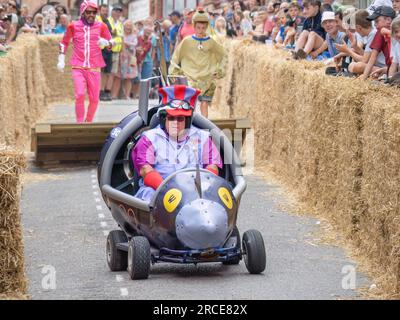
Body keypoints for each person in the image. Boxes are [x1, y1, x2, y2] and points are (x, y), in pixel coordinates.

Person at [132, 84, 222, 202]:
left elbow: (212, 166)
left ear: (188, 121)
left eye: (180, 119)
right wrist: (169, 191)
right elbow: (145, 169)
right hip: (158, 191)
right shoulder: (149, 138)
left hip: (197, 192)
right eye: (171, 118)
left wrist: (200, 188)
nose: (176, 123)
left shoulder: (204, 138)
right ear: (164, 119)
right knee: (149, 196)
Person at [57, 0, 113, 123]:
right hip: (78, 67)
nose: (91, 15)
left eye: (94, 12)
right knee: (80, 95)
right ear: (83, 12)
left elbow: (111, 43)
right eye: (88, 12)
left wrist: (106, 43)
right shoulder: (73, 26)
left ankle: (88, 122)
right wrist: (61, 58)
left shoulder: (101, 26)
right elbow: (64, 42)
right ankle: (79, 123)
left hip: (94, 67)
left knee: (94, 99)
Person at [169, 9, 226, 118]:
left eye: (203, 28)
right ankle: (190, 124)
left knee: (204, 103)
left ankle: (205, 126)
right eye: (198, 28)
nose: (201, 30)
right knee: (191, 103)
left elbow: (223, 55)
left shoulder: (211, 41)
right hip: (191, 76)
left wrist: (219, 71)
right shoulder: (187, 41)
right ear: (194, 27)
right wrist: (175, 71)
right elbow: (176, 57)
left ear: (207, 27)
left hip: (207, 77)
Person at [360, 5, 396, 80]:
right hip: (393, 68)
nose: (375, 24)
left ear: (389, 20)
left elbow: (372, 58)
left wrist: (364, 77)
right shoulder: (380, 32)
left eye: (377, 21)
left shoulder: (382, 31)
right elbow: (372, 57)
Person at [106, 4, 124, 100]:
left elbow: (121, 38)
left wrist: (122, 51)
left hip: (117, 51)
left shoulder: (120, 23)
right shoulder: (108, 21)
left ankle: (108, 91)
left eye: (119, 11)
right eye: (116, 11)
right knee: (107, 72)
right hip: (108, 50)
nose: (117, 13)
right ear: (112, 11)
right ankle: (104, 91)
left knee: (113, 73)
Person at [118, 20, 138, 100]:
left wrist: (125, 43)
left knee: (129, 78)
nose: (128, 27)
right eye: (127, 25)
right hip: (121, 57)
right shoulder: (121, 34)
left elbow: (134, 44)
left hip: (130, 59)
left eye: (130, 25)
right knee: (119, 76)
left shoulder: (134, 36)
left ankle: (127, 95)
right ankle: (117, 94)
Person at [98, 4, 114, 101]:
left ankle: (104, 91)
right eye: (104, 10)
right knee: (101, 71)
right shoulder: (97, 20)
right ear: (100, 11)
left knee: (107, 72)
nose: (105, 12)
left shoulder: (109, 21)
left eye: (106, 11)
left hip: (109, 49)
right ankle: (100, 91)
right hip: (99, 49)